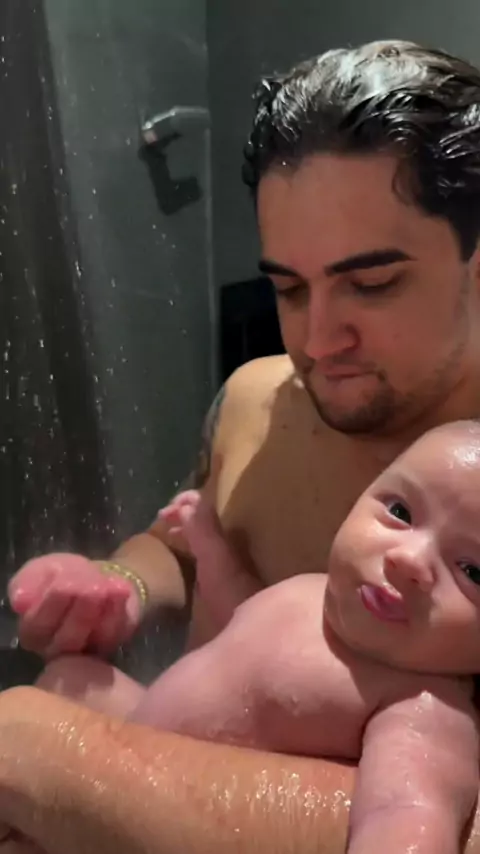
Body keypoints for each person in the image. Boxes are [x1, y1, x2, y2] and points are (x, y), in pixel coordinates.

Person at [4, 37, 480, 853]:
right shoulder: (256, 399)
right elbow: (178, 546)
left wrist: (46, 757)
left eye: (371, 283)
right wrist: (119, 585)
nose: (317, 342)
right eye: (288, 288)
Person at [33, 420, 480, 854]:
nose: (409, 560)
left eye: (472, 570)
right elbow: (244, 617)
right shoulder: (313, 589)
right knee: (70, 678)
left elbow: (403, 813)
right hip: (139, 738)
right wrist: (208, 547)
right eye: (400, 512)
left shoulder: (424, 709)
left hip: (163, 825)